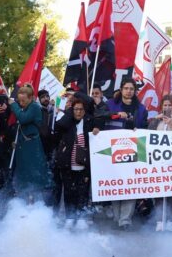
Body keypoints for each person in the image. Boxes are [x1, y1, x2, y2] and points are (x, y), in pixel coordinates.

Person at [105, 78, 149, 229]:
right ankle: (117, 216)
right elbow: (101, 117)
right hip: (113, 148)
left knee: (130, 184)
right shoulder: (111, 104)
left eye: (132, 89)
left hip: (134, 148)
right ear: (121, 89)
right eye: (126, 88)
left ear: (135, 91)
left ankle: (125, 219)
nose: (129, 91)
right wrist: (117, 114)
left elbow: (144, 127)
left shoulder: (141, 108)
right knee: (116, 183)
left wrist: (140, 129)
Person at [54, 94, 98, 225]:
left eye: (81, 109)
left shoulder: (89, 121)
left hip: (83, 165)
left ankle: (82, 218)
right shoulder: (67, 121)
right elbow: (59, 125)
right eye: (76, 109)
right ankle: (70, 218)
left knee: (82, 193)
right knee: (68, 192)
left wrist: (96, 129)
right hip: (67, 164)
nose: (78, 112)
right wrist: (68, 111)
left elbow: (100, 123)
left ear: (85, 110)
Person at [9, 84, 51, 200]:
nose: (20, 103)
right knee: (24, 175)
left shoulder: (34, 107)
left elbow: (23, 118)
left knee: (33, 174)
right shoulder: (26, 107)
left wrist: (14, 105)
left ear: (31, 98)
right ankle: (24, 203)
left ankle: (36, 204)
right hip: (24, 145)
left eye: (23, 100)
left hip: (32, 146)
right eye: (19, 100)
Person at [148, 95, 172, 231]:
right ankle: (159, 220)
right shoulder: (157, 120)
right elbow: (147, 133)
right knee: (159, 190)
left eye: (170, 105)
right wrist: (154, 121)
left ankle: (171, 220)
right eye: (165, 105)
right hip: (158, 161)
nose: (167, 107)